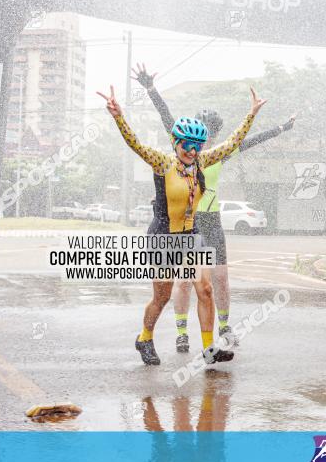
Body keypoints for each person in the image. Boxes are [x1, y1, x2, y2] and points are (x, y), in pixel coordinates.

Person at [97, 83, 266, 365]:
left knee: (206, 288)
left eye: (197, 145)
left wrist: (251, 114)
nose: (192, 150)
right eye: (187, 145)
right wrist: (118, 116)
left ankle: (210, 349)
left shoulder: (202, 162)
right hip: (163, 236)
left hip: (192, 235)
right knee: (162, 296)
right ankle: (144, 337)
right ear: (175, 142)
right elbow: (135, 143)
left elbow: (232, 143)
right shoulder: (162, 163)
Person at [131, 63, 296, 352]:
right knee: (183, 282)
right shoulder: (185, 152)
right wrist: (151, 89)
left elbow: (249, 139)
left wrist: (281, 128)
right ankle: (182, 332)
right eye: (210, 131)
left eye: (215, 133)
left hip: (211, 222)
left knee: (218, 279)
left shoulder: (216, 155)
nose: (211, 138)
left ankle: (223, 328)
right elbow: (166, 116)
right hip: (186, 222)